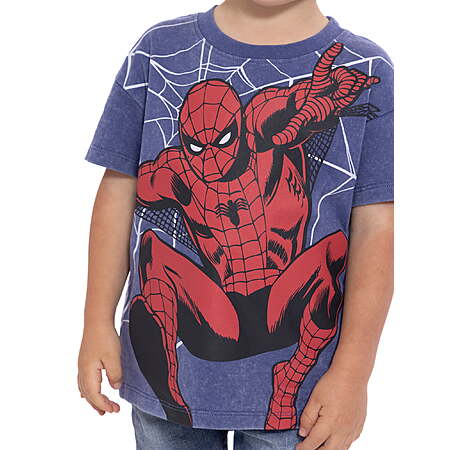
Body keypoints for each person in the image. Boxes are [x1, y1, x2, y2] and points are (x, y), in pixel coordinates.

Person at [78, 0, 394, 448]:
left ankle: (288, 376)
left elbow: (376, 228)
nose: (210, 160)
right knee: (154, 251)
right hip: (216, 325)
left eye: (223, 141)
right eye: (196, 148)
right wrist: (96, 322)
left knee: (330, 251)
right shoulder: (157, 50)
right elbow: (119, 191)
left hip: (293, 350)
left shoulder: (358, 67)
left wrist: (353, 373)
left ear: (242, 130)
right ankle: (171, 393)